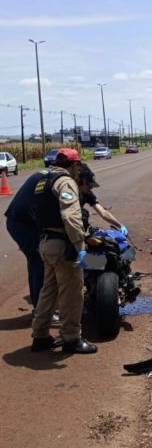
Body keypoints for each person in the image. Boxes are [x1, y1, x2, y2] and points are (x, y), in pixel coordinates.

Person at [31, 148, 97, 354]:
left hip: (45, 242)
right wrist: (80, 247)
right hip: (62, 245)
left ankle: (40, 336)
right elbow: (71, 217)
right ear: (75, 165)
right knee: (72, 293)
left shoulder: (43, 181)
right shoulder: (65, 181)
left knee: (49, 291)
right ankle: (71, 339)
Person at [4, 168, 47, 309]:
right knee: (39, 263)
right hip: (25, 225)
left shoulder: (45, 174)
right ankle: (41, 309)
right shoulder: (61, 181)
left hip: (17, 221)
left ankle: (39, 305)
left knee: (35, 262)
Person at [77, 163, 128, 235]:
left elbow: (103, 212)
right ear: (81, 181)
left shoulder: (86, 192)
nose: (91, 188)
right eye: (89, 185)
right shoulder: (67, 190)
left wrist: (120, 225)